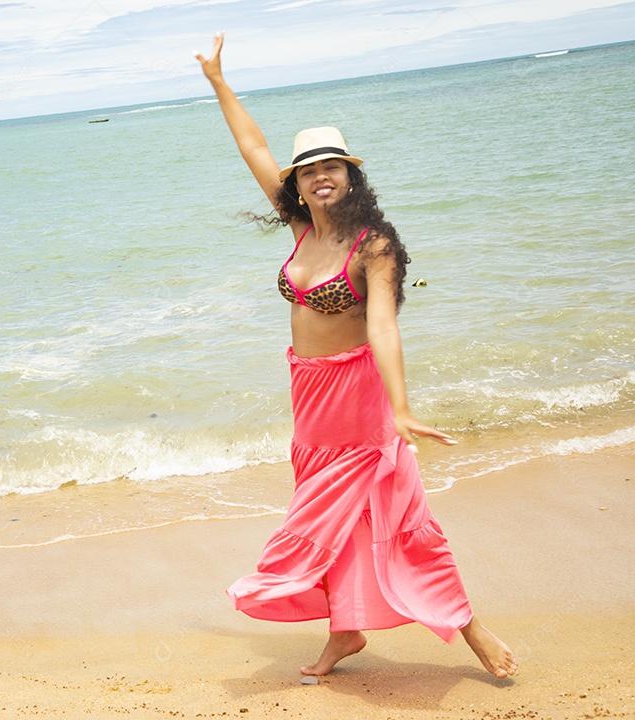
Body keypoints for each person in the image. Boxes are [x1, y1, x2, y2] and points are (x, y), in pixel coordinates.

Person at [195, 32, 517, 679]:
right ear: (301, 185)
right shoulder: (301, 229)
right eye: (309, 170)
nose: (320, 177)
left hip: (360, 405)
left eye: (331, 167)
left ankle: (471, 629)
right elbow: (254, 148)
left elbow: (384, 329)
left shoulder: (374, 247)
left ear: (350, 175)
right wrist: (218, 82)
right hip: (310, 403)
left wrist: (400, 408)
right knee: (336, 526)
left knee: (401, 523)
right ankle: (346, 633)